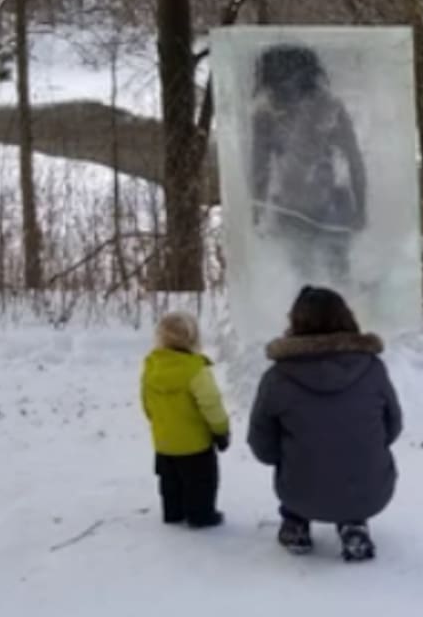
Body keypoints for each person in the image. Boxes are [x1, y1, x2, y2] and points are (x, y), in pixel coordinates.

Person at [247, 286, 403, 562]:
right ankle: (354, 522)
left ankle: (295, 523)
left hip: (299, 490)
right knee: (348, 461)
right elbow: (393, 427)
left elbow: (262, 445)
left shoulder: (277, 377)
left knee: (300, 462)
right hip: (370, 490)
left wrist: (283, 457)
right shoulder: (372, 368)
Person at [250, 44, 368, 283]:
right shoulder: (271, 114)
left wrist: (257, 212)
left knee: (318, 279)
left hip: (315, 206)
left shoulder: (324, 108)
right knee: (321, 278)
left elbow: (259, 171)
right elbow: (259, 170)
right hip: (307, 208)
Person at [140, 312, 231, 528]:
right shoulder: (195, 370)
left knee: (169, 482)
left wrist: (157, 422)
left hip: (164, 443)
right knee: (201, 482)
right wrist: (221, 430)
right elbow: (211, 404)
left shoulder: (152, 366)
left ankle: (173, 512)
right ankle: (202, 515)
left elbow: (146, 401)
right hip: (195, 445)